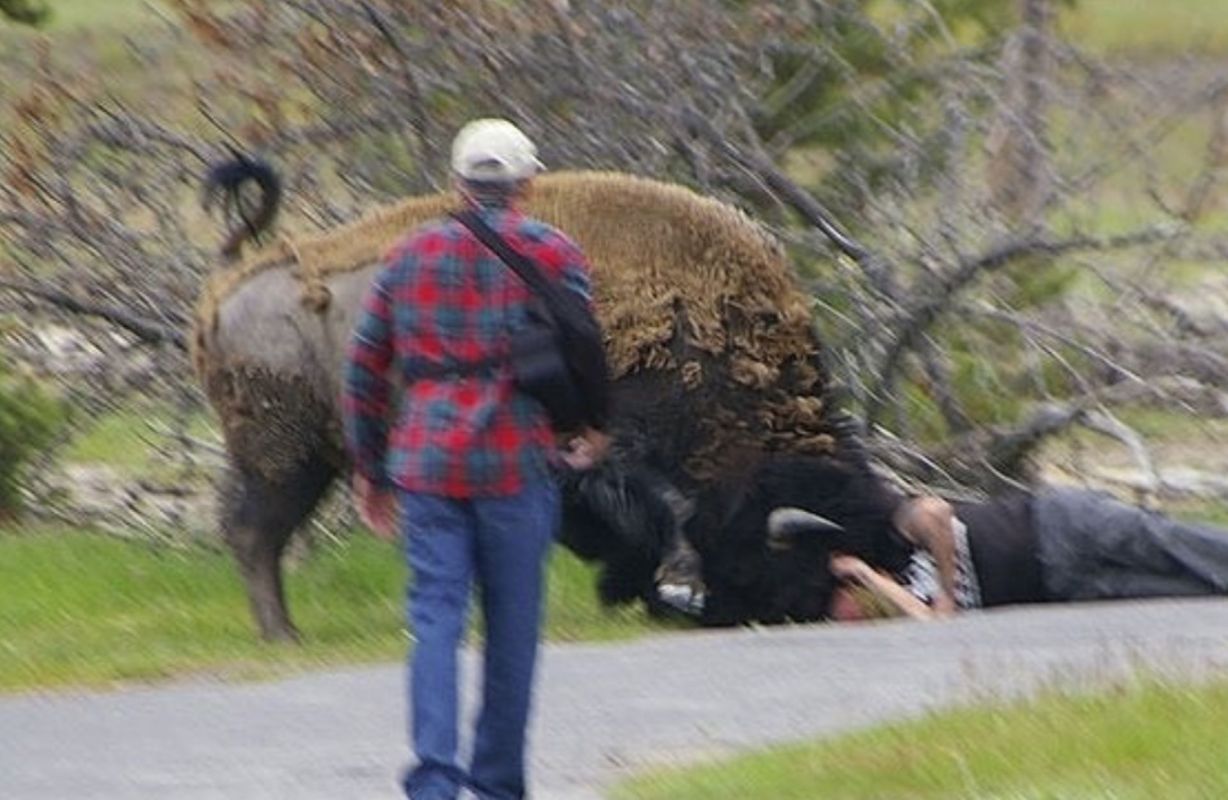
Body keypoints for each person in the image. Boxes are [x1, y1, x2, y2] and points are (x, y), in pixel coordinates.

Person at [342, 118, 610, 800]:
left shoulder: (407, 255)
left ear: (457, 185)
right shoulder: (553, 252)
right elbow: (585, 350)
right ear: (528, 184)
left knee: (434, 617)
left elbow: (364, 370)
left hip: (425, 465)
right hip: (517, 460)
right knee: (512, 631)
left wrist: (372, 471)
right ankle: (497, 787)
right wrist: (591, 427)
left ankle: (433, 780)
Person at [824, 485, 1228, 621]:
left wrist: (947, 588)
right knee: (1187, 593)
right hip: (1064, 586)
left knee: (1172, 544)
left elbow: (934, 512)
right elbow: (932, 621)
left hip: (1056, 525)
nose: (866, 607)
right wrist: (868, 577)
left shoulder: (899, 546)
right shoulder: (917, 611)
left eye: (857, 597)